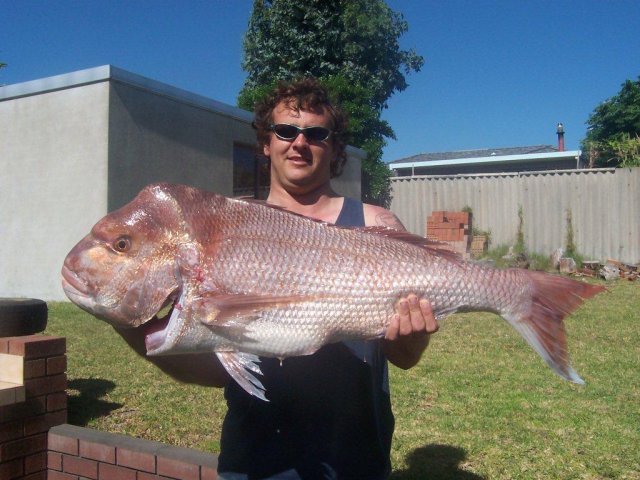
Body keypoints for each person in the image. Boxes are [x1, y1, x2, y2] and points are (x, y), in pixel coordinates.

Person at [116, 78, 438, 480]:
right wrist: (131, 326)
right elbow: (216, 371)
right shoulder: (225, 228)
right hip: (255, 461)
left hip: (354, 460)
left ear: (335, 147)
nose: (299, 142)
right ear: (266, 143)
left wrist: (414, 333)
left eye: (316, 134)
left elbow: (404, 359)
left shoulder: (376, 224)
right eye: (286, 130)